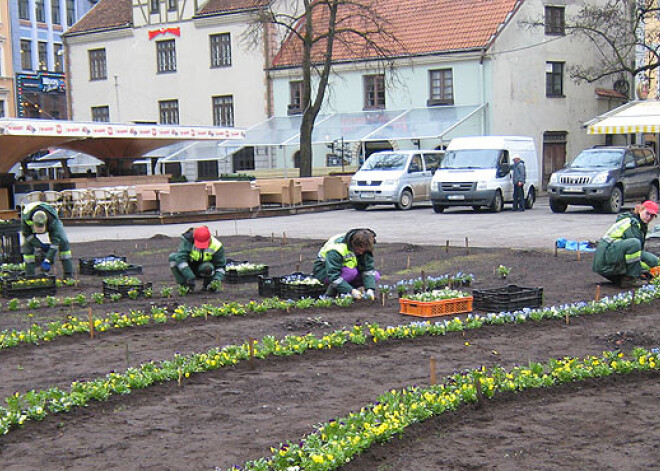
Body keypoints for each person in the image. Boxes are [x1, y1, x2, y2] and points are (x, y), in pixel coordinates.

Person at [592, 200, 660, 288]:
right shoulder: (632, 223)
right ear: (640, 210)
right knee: (635, 244)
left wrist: (653, 264)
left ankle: (625, 276)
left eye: (652, 216)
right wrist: (644, 269)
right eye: (647, 213)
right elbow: (635, 250)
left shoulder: (640, 223)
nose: (649, 217)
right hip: (605, 258)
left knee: (653, 261)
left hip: (611, 255)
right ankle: (630, 279)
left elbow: (638, 253)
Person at [313, 228, 380, 299]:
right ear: (353, 245)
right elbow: (333, 276)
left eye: (363, 251)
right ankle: (330, 295)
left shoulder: (366, 247)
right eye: (359, 250)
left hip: (347, 271)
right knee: (350, 272)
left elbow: (368, 270)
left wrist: (370, 289)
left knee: (375, 276)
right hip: (324, 271)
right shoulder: (336, 249)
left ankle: (355, 291)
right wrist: (351, 291)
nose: (361, 253)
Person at [21, 201, 74, 278]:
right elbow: (28, 235)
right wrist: (41, 245)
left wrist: (48, 260)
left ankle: (68, 274)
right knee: (27, 245)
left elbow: (56, 241)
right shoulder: (26, 218)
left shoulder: (52, 220)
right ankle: (29, 276)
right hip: (30, 223)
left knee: (64, 241)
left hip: (52, 221)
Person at [169, 225, 226, 291]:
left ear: (209, 239)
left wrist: (216, 280)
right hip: (189, 267)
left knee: (208, 267)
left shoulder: (217, 246)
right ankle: (185, 286)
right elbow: (181, 258)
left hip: (204, 267)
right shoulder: (188, 241)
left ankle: (207, 285)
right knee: (173, 258)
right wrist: (190, 276)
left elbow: (221, 267)